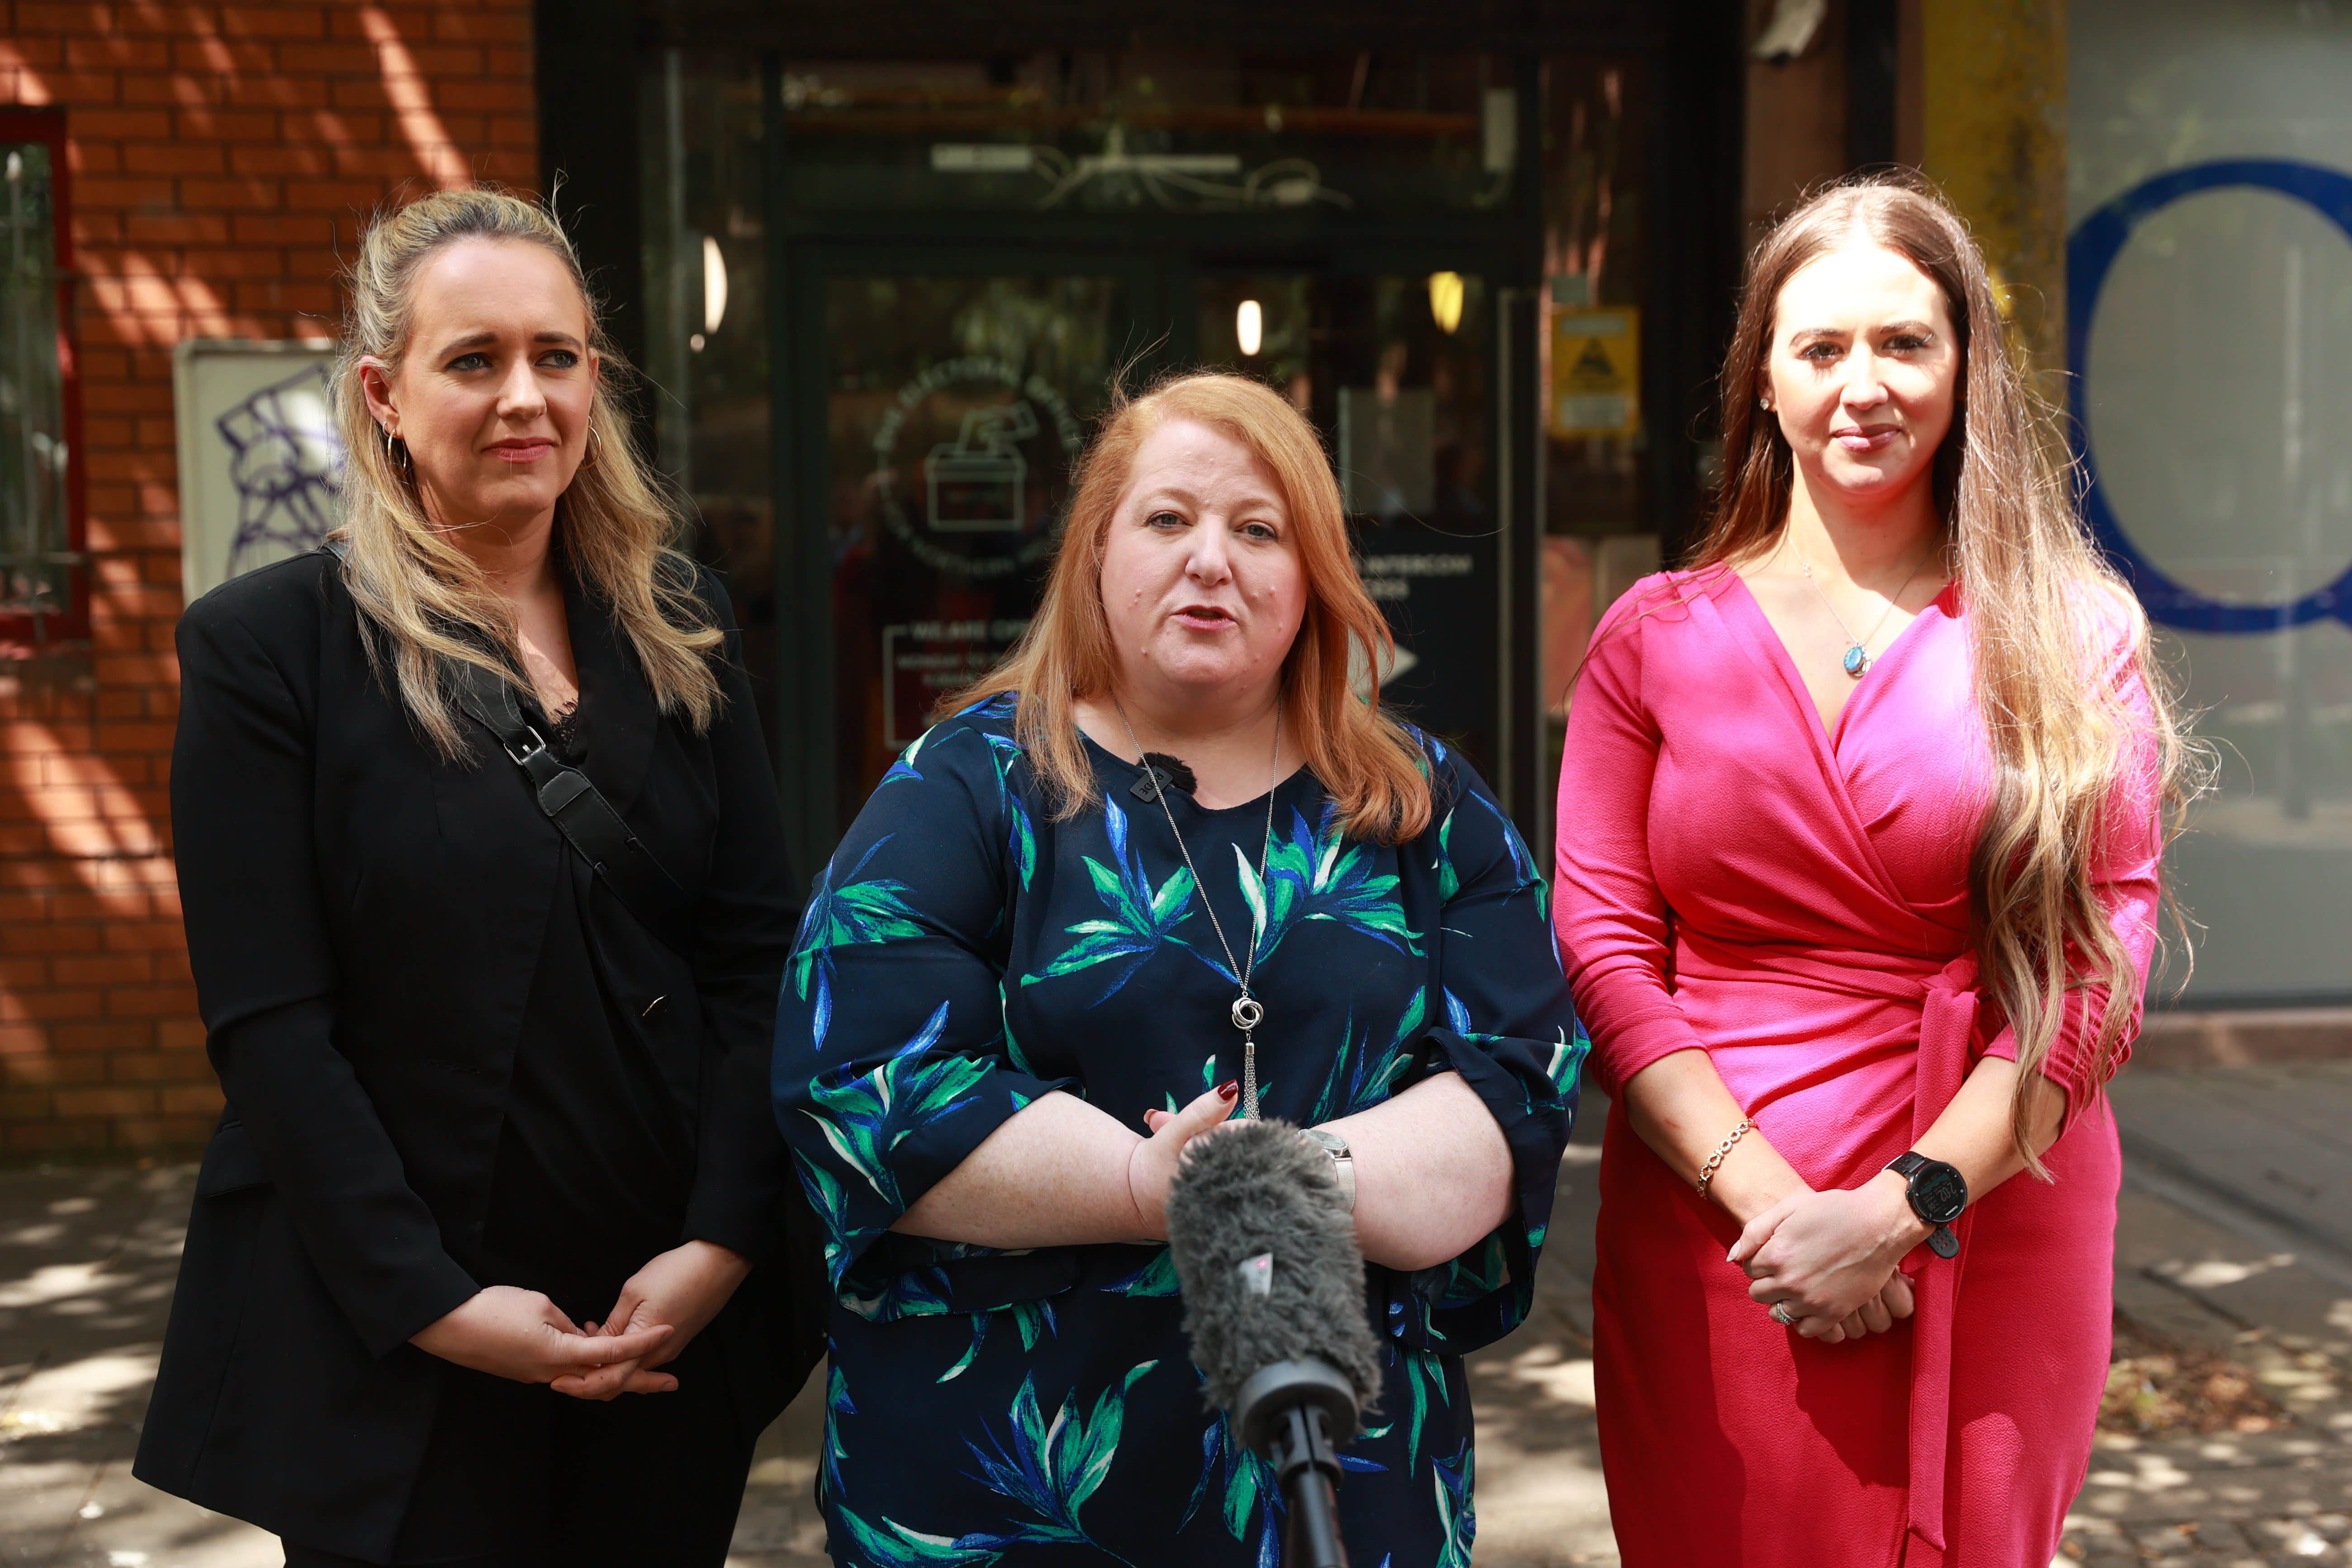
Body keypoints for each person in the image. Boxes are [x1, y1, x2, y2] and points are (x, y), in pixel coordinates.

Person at [773, 371, 1581, 1565]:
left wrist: (1268, 1177)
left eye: (1259, 530)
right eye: (1168, 519)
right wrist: (1146, 1184)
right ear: (1097, 551)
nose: (1214, 559)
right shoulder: (969, 785)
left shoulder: (1418, 801)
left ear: (1311, 575)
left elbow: (1517, 1077)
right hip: (1007, 1488)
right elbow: (860, 1074)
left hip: (1339, 1481)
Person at [134, 188, 822, 1568]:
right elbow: (273, 1032)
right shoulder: (270, 653)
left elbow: (760, 961)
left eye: (557, 357)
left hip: (657, 1340)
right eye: (476, 360)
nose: (527, 397)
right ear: (384, 395)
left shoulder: (679, 624)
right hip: (400, 1354)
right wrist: (440, 1307)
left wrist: (721, 1246)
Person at [1552, 172, 2196, 1568]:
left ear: (1968, 370)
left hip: (1995, 1209)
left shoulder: (2070, 634)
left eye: (1906, 342)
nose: (1865, 384)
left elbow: (2103, 957)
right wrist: (1780, 1209)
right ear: (1764, 380)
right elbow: (1604, 948)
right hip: (1717, 1236)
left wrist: (1910, 1204)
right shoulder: (1651, 639)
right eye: (1821, 346)